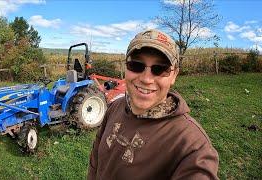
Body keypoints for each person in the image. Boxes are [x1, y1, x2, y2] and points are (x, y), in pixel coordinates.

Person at [87, 29, 219, 180]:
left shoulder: (192, 146)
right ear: (126, 67)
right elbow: (95, 163)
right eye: (136, 65)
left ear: (174, 75)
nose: (146, 79)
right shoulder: (114, 107)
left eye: (160, 69)